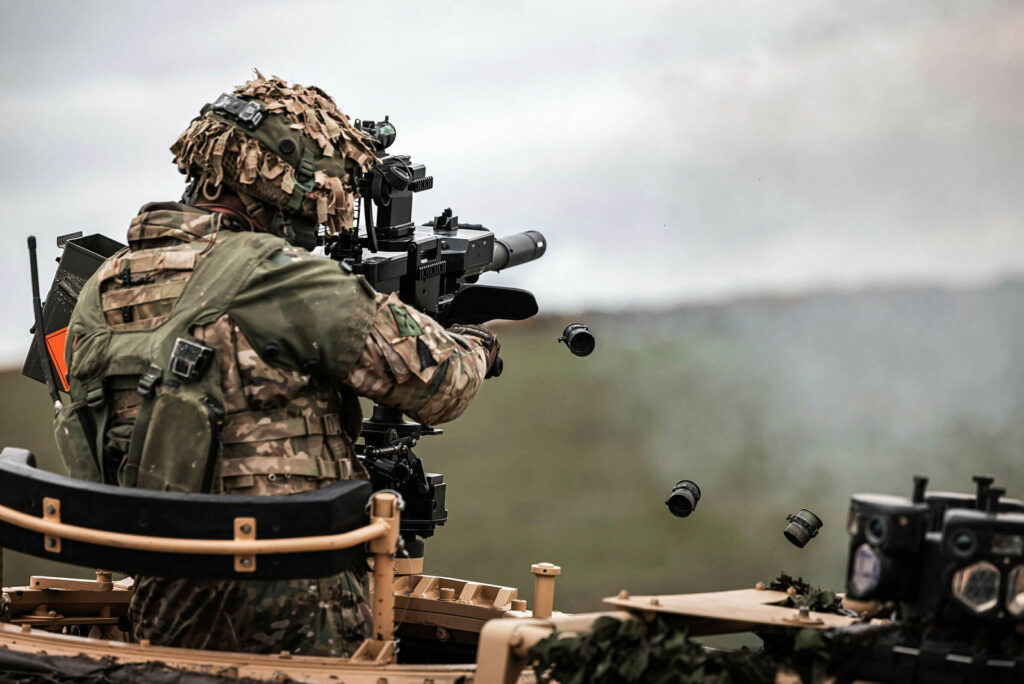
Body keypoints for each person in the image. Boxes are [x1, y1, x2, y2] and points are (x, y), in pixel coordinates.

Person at [53, 73, 500, 656]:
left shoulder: (102, 286)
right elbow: (442, 384)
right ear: (283, 190)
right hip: (298, 624)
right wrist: (475, 343)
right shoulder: (276, 277)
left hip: (164, 621)